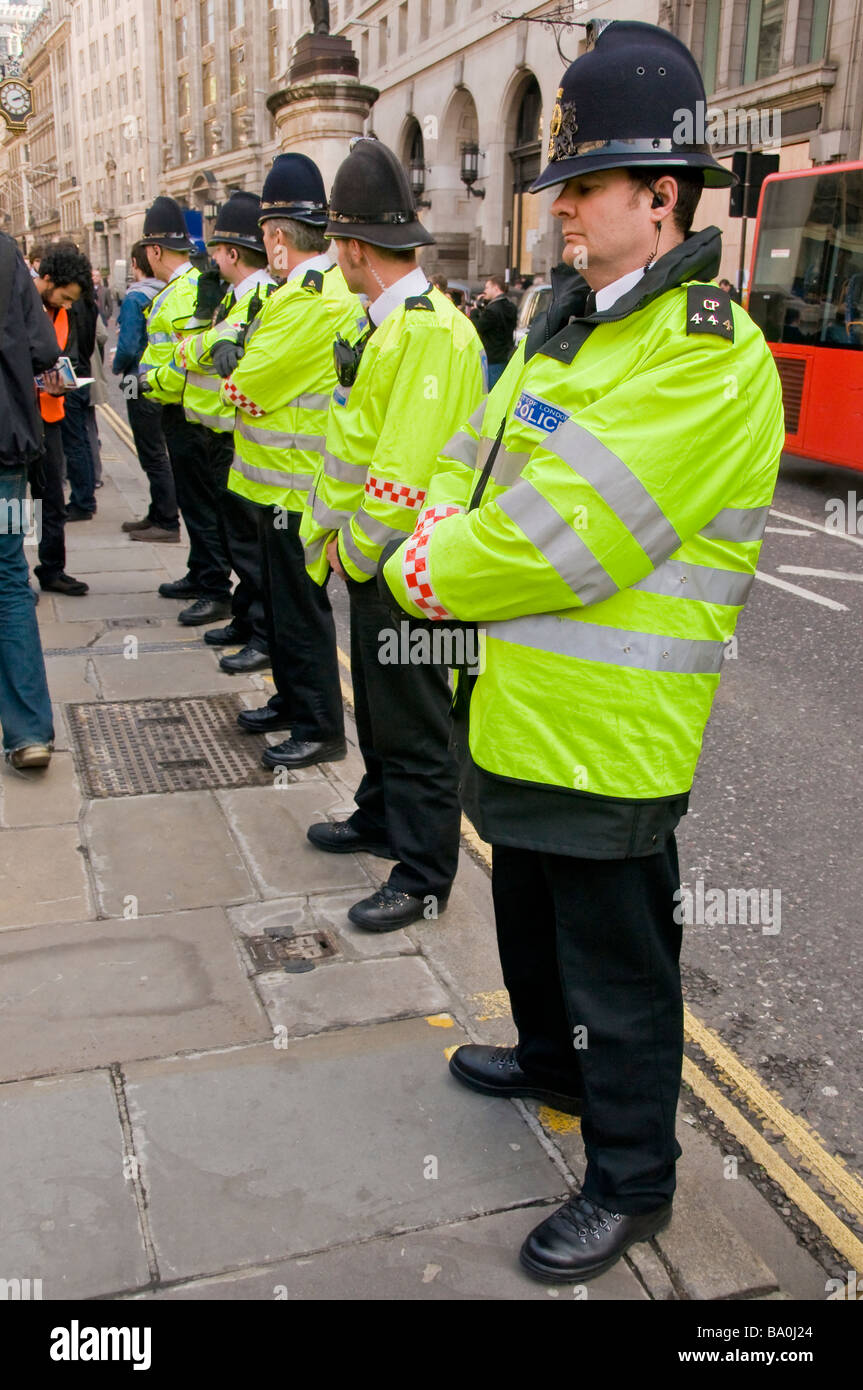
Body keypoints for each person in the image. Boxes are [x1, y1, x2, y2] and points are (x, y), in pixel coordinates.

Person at [380, 19, 785, 1281]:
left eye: (582, 186)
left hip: (611, 736)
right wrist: (440, 515)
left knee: (618, 971)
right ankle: (546, 1063)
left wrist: (434, 563)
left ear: (659, 197)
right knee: (526, 920)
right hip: (517, 706)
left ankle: (631, 1180)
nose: (556, 209)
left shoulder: (704, 357)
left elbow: (569, 539)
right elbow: (476, 455)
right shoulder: (567, 326)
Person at [300, 138, 486, 932]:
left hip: (412, 572)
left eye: (334, 244)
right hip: (379, 568)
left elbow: (402, 474)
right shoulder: (390, 324)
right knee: (379, 713)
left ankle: (421, 876)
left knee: (415, 730)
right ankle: (379, 816)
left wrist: (356, 550)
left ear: (349, 247)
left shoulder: (427, 333)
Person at [219, 153, 364, 765]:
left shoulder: (310, 300)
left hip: (294, 492)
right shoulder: (302, 293)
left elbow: (242, 387)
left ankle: (320, 727)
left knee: (301, 617)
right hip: (277, 488)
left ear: (276, 238)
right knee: (280, 610)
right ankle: (291, 701)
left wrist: (238, 358)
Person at [173, 191, 276, 672]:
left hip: (238, 435)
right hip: (216, 432)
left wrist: (195, 344)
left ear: (233, 253)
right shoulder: (227, 295)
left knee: (250, 545)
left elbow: (200, 349)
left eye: (216, 250)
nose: (210, 258)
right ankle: (244, 617)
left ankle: (260, 630)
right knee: (234, 538)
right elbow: (194, 344)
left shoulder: (259, 298)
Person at [139, 196, 233, 624]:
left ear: (154, 251)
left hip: (185, 412)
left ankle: (214, 587)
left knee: (199, 504)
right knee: (198, 501)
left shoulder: (180, 295)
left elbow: (183, 360)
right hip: (191, 412)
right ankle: (200, 573)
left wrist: (149, 384)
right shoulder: (190, 288)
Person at [0, 232, 61, 768]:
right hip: (7, 447)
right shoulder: (4, 255)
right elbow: (44, 349)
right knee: (10, 578)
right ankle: (28, 734)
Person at [29, 244, 92, 596]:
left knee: (51, 496)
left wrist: (62, 385)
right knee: (15, 501)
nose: (68, 305)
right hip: (17, 419)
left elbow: (68, 358)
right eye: (65, 297)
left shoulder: (65, 314)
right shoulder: (20, 306)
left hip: (49, 415)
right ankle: (12, 578)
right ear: (48, 279)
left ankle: (52, 568)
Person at [113, 240, 180, 542]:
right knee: (159, 447)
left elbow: (127, 347)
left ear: (136, 265)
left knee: (151, 452)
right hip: (161, 379)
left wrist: (116, 366)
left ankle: (166, 520)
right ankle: (157, 512)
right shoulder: (167, 291)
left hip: (136, 381)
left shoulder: (135, 297)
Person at [61, 252, 100, 522]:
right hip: (83, 374)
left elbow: (70, 345)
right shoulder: (88, 301)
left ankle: (82, 500)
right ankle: (85, 496)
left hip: (71, 378)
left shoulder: (71, 305)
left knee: (74, 442)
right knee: (84, 439)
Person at [471, 274, 516, 387]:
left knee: (490, 394)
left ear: (496, 288)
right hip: (505, 356)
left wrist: (474, 312)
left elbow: (477, 327)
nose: (484, 291)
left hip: (492, 359)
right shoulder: (510, 307)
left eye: (487, 288)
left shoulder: (492, 311)